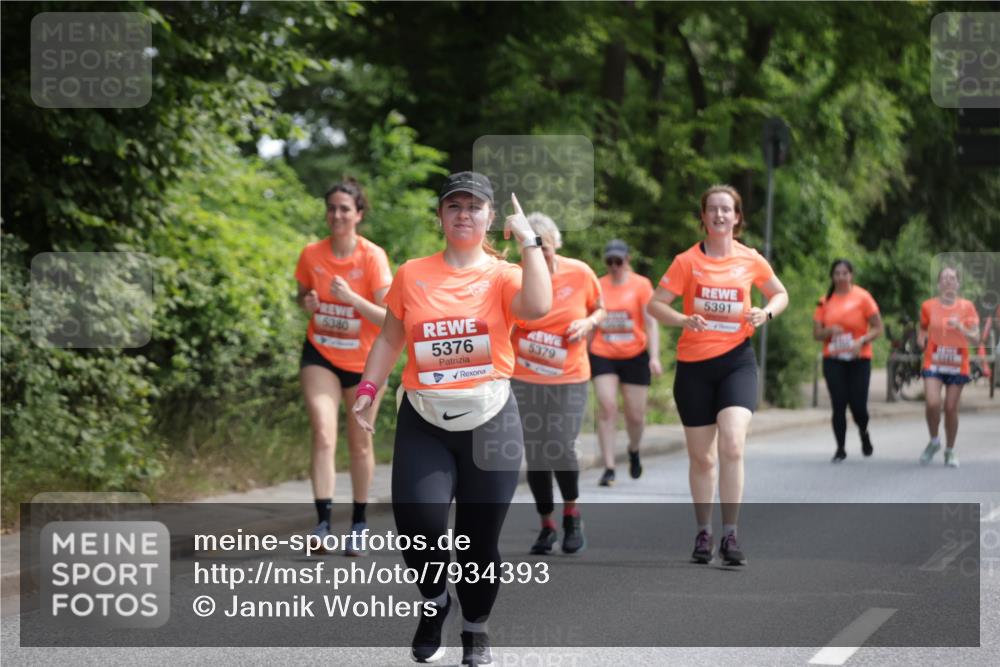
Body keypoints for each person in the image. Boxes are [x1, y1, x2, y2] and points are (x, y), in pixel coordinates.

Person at [352, 172, 551, 666]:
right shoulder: (412, 273)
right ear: (440, 216)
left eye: (474, 206)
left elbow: (540, 306)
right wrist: (369, 389)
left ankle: (475, 629)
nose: (464, 213)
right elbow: (390, 339)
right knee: (418, 527)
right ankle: (435, 600)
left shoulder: (504, 275)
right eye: (454, 206)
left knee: (479, 545)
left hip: (490, 420)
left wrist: (529, 240)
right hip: (424, 418)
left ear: (490, 219)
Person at [648, 184, 788, 566]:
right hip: (694, 367)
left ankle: (730, 535)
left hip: (737, 362)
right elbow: (655, 305)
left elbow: (780, 294)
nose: (720, 216)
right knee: (703, 459)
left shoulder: (750, 259)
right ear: (704, 216)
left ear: (737, 217)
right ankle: (703, 532)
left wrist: (766, 313)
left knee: (732, 443)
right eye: (713, 209)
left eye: (727, 210)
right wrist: (682, 319)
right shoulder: (686, 262)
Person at [295, 178, 392, 556]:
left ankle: (359, 524)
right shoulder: (311, 253)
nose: (336, 215)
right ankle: (322, 524)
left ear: (359, 215)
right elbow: (302, 293)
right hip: (320, 353)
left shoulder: (372, 257)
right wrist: (307, 301)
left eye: (344, 209)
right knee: (322, 433)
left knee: (360, 444)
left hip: (366, 363)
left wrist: (350, 298)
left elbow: (388, 318)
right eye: (331, 207)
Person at [510, 212, 604, 556]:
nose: (540, 254)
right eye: (531, 247)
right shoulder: (515, 277)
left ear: (556, 244)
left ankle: (572, 512)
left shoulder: (579, 273)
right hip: (525, 377)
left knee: (560, 444)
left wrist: (587, 322)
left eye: (545, 247)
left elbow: (601, 309)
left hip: (569, 377)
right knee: (536, 452)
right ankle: (547, 524)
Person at [588, 239, 661, 487]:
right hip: (603, 353)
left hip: (635, 354)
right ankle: (609, 466)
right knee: (607, 407)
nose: (614, 266)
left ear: (627, 261)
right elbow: (592, 322)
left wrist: (654, 357)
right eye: (609, 262)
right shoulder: (598, 286)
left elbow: (650, 322)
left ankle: (633, 449)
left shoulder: (641, 285)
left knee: (635, 416)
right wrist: (584, 354)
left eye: (618, 261)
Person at [813, 259, 884, 462]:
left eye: (845, 273)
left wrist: (861, 340)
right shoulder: (824, 301)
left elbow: (879, 328)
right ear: (832, 276)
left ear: (851, 275)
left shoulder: (863, 297)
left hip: (859, 358)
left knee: (858, 405)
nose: (841, 277)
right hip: (833, 358)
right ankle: (840, 448)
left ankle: (863, 432)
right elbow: (816, 334)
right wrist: (828, 331)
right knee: (839, 403)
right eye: (837, 273)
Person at [918, 266, 980, 468]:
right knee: (932, 403)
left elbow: (977, 338)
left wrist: (960, 327)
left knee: (951, 407)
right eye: (944, 278)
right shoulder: (928, 306)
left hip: (957, 364)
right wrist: (921, 340)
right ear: (938, 284)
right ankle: (934, 441)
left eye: (952, 278)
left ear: (958, 283)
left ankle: (950, 450)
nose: (947, 281)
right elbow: (922, 328)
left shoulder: (967, 307)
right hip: (933, 362)